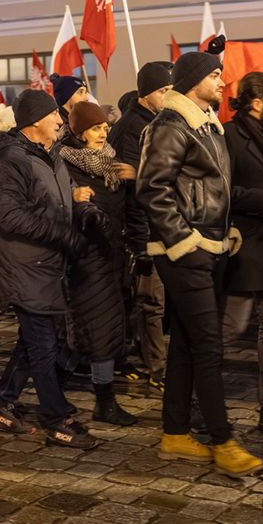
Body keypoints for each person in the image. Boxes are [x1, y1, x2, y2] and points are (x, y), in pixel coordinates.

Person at [138, 51, 263, 478]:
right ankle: (222, 439)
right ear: (193, 80)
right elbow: (152, 188)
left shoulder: (206, 124)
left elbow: (215, 188)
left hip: (210, 244)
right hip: (186, 251)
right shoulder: (171, 125)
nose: (222, 82)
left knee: (192, 344)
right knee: (209, 345)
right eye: (214, 75)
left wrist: (224, 228)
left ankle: (174, 432)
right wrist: (184, 241)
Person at [0, 90, 98, 449]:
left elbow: (60, 201)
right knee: (44, 342)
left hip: (49, 262)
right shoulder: (10, 159)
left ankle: (2, 404)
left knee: (37, 340)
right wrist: (63, 234)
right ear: (34, 122)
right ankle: (56, 417)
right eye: (54, 116)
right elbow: (12, 216)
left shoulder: (51, 154)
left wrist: (85, 215)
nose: (61, 121)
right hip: (25, 263)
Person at [59, 100, 139, 425]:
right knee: (99, 329)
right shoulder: (66, 165)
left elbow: (130, 206)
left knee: (95, 332)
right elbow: (64, 206)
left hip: (114, 256)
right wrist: (83, 211)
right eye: (95, 128)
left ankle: (52, 389)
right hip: (86, 258)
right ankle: (104, 403)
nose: (103, 132)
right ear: (79, 133)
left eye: (104, 126)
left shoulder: (112, 164)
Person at [221, 71, 263, 432]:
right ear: (257, 102)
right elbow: (225, 192)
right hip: (242, 247)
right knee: (231, 327)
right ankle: (200, 396)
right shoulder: (229, 137)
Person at [108, 61, 173, 387]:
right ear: (147, 93)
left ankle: (137, 354)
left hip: (158, 223)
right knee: (150, 301)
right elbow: (130, 182)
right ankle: (155, 365)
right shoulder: (133, 126)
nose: (168, 95)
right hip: (141, 227)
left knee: (147, 301)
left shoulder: (157, 121)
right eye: (163, 90)